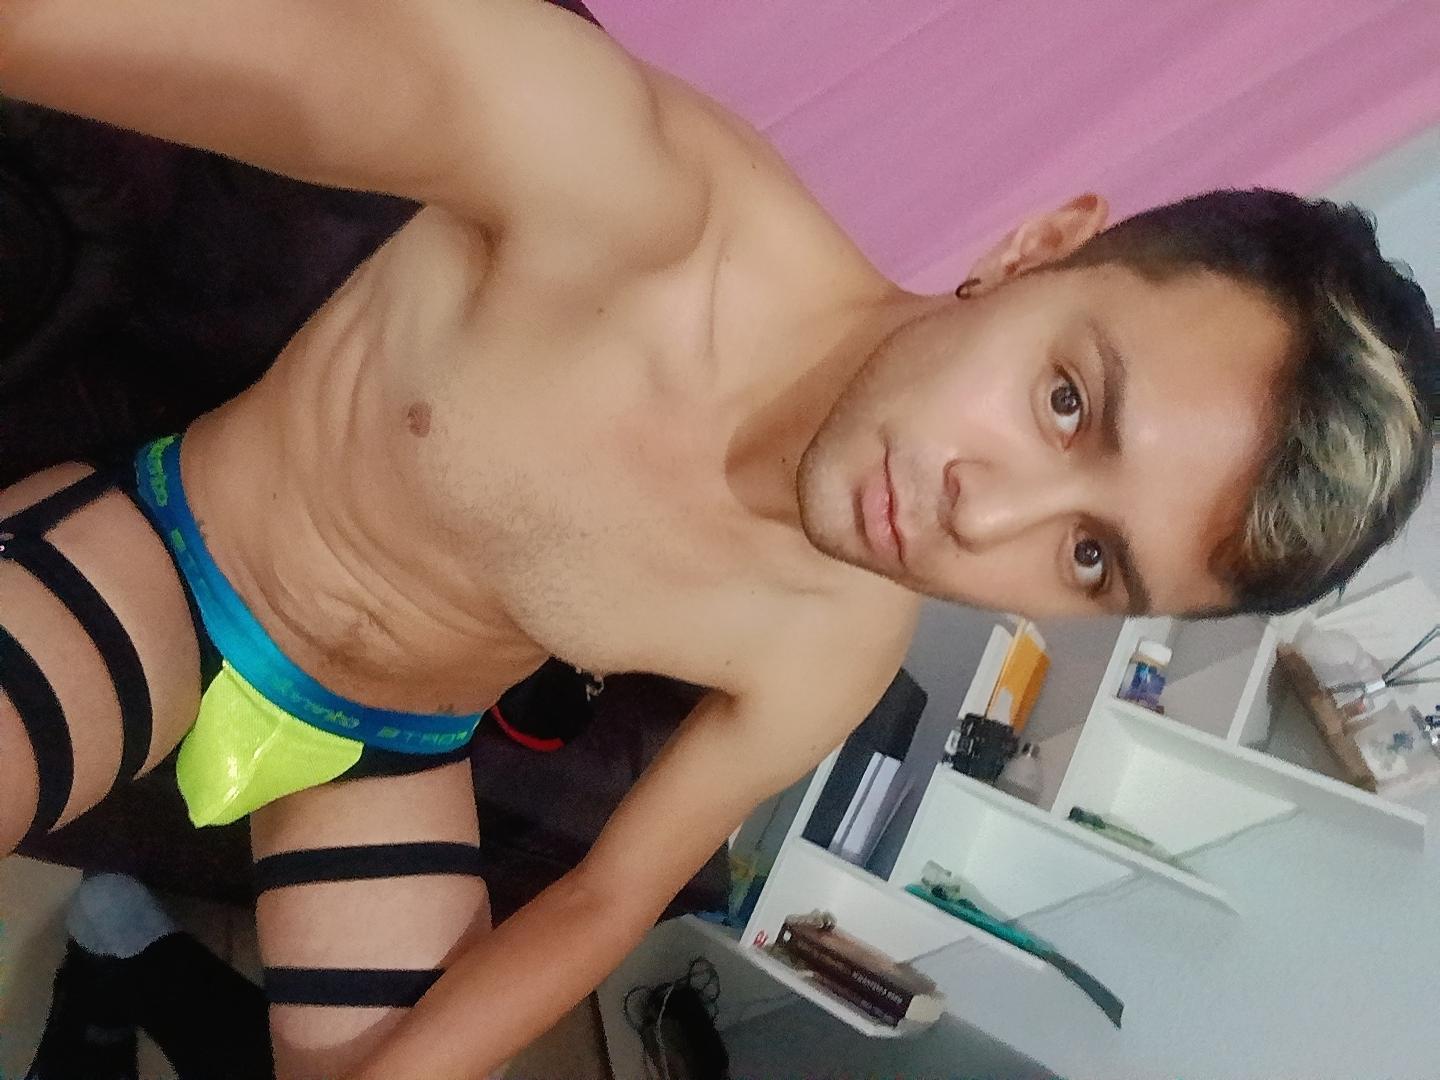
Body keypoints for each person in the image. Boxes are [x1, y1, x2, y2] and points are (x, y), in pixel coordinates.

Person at [0, 2, 1434, 1076]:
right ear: (1036, 249)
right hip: (178, 563)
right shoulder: (622, 184)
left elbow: (609, 897)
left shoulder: (837, 639)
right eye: (1067, 401)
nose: (984, 516)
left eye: (1091, 559)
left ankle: (126, 975)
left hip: (388, 744)